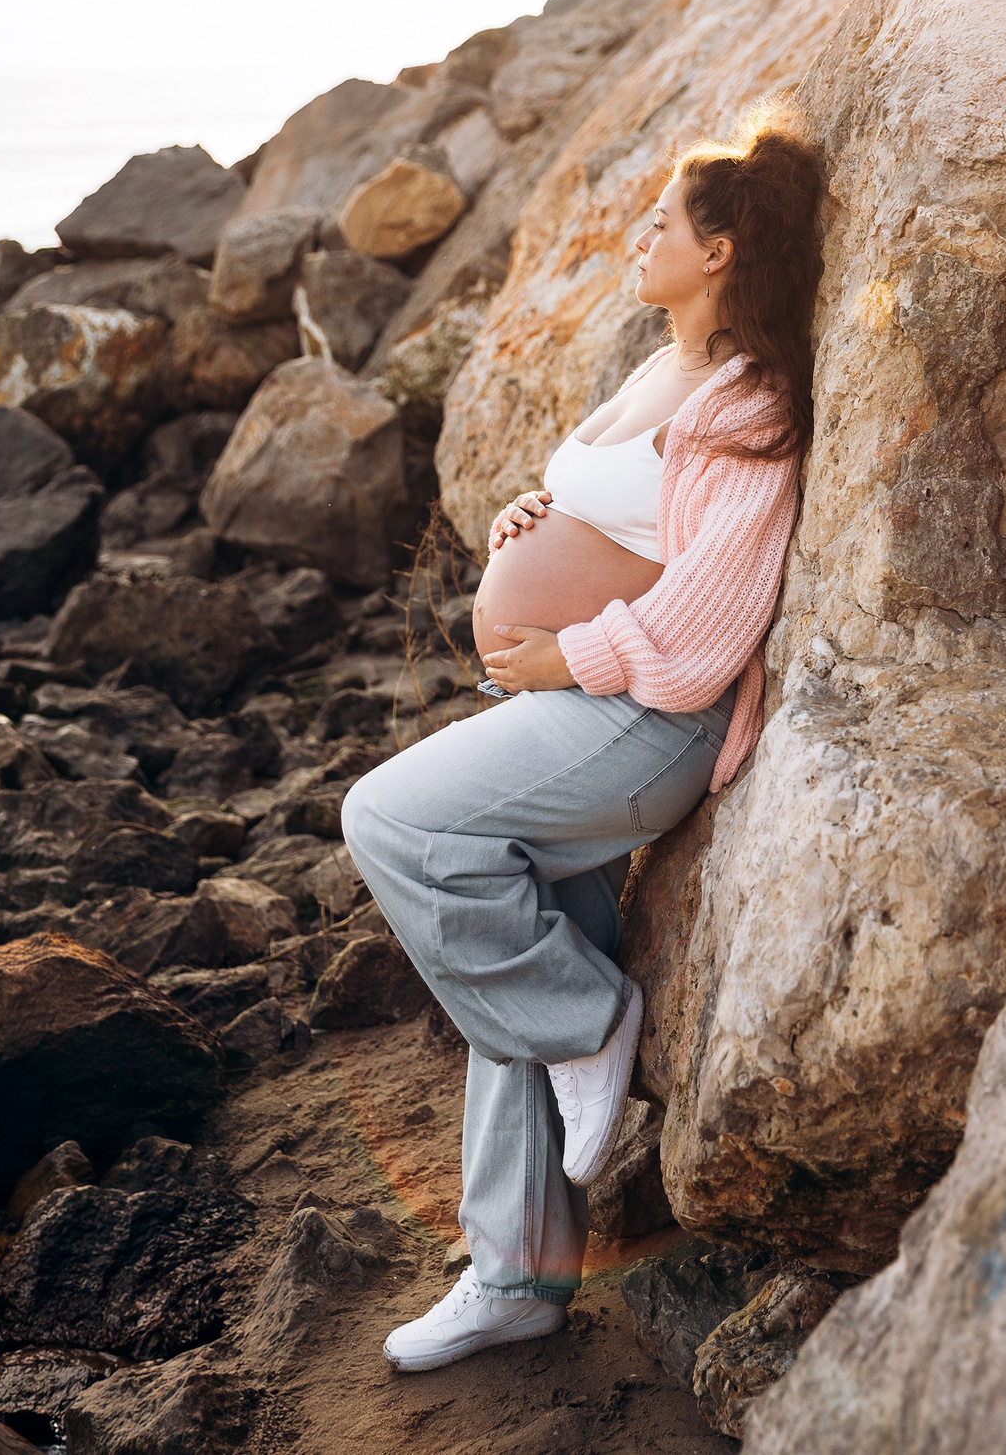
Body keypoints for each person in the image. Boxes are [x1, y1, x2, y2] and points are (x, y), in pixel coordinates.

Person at [343, 106, 824, 1372]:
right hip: (568, 705)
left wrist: (566, 650)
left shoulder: (751, 405)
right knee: (504, 914)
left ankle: (582, 1019)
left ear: (719, 252)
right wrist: (533, 517)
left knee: (391, 821)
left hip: (644, 717)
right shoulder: (656, 369)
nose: (635, 236)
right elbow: (610, 514)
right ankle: (515, 1279)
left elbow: (712, 615)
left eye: (659, 221)